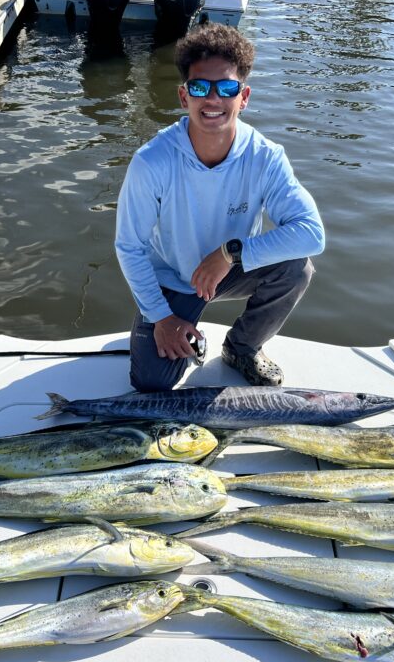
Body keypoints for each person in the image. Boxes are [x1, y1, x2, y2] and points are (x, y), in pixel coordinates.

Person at [114, 23, 324, 391]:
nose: (212, 99)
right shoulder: (152, 162)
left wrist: (230, 253)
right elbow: (129, 247)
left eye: (226, 88)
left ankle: (241, 347)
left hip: (232, 267)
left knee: (297, 268)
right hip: (173, 278)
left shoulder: (266, 157)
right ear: (184, 97)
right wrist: (162, 318)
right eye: (199, 87)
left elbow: (312, 233)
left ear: (243, 97)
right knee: (150, 384)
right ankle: (175, 328)